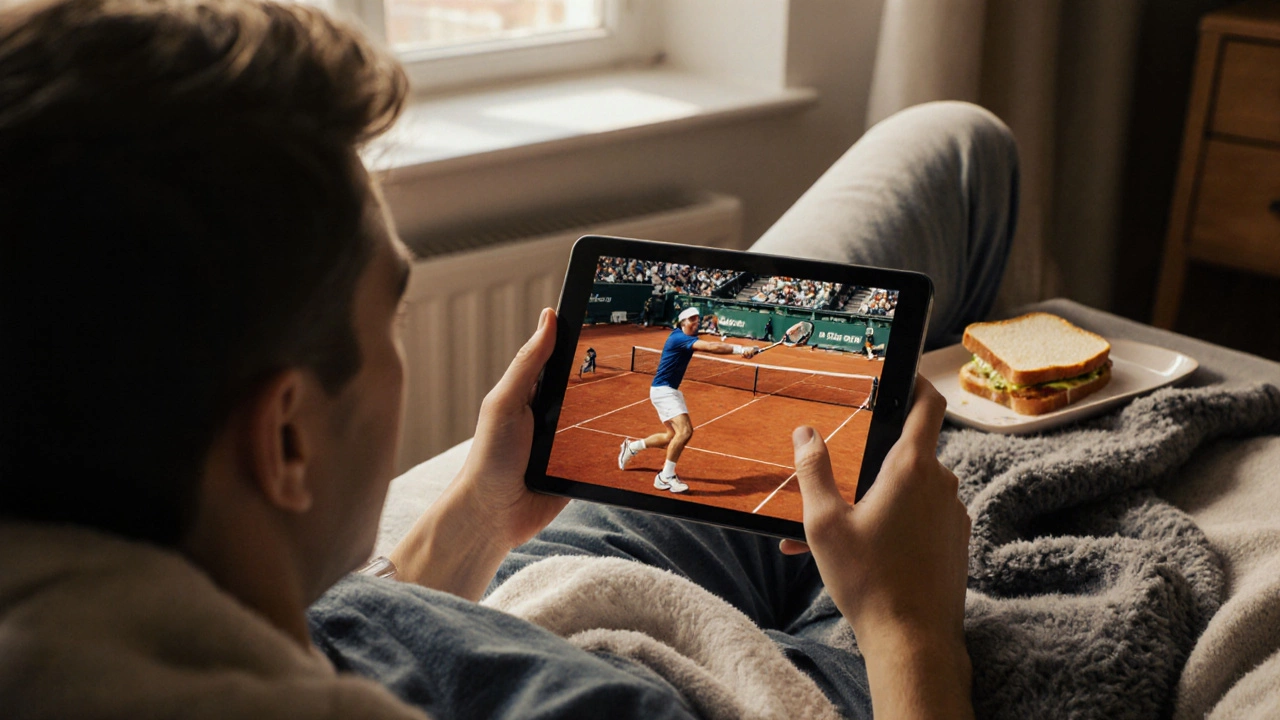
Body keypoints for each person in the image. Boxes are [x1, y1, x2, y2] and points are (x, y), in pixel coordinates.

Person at [0, 0, 1018, 717]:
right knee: (960, 166)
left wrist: (472, 521)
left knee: (945, 150)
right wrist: (907, 631)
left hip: (481, 599)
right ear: (285, 440)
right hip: (628, 652)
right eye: (389, 313)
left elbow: (329, 643)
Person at [617, 307, 760, 493]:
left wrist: (745, 350)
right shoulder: (678, 338)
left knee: (670, 438)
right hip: (663, 391)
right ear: (682, 322)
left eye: (698, 319)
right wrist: (741, 349)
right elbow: (711, 347)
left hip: (669, 391)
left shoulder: (685, 337)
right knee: (685, 432)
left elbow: (712, 344)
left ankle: (632, 446)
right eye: (692, 319)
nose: (696, 322)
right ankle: (665, 476)